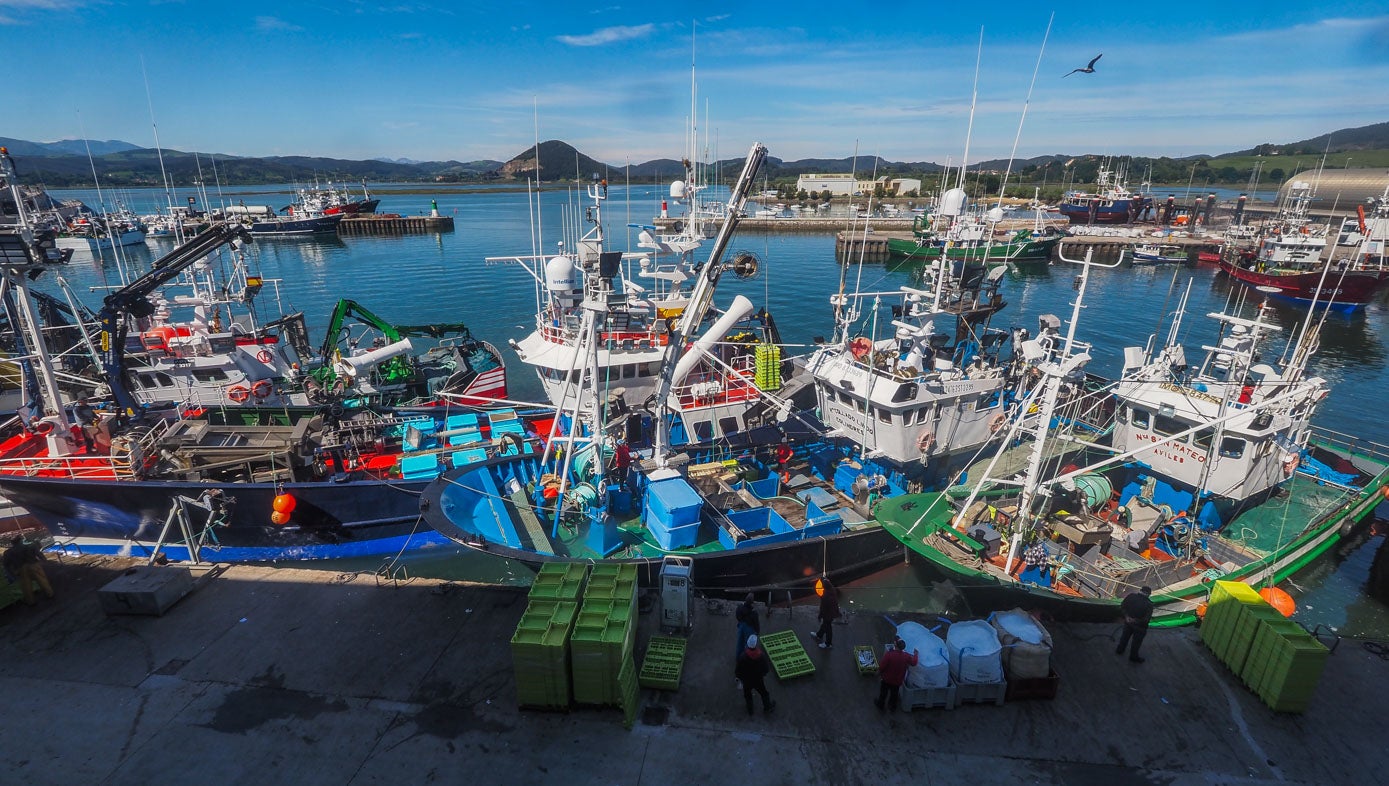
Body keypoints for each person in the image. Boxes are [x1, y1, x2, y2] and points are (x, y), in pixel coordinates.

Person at [3, 536, 53, 606]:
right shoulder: (31, 545)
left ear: (12, 543)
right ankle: (49, 594)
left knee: (26, 586)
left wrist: (11, 574)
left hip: (21, 568)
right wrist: (45, 561)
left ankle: (31, 602)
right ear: (21, 540)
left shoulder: (8, 552)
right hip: (34, 565)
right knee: (42, 580)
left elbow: (6, 564)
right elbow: (39, 554)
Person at [735, 634, 775, 716]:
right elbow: (765, 669)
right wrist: (763, 674)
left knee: (747, 694)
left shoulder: (743, 656)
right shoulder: (761, 656)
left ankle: (750, 710)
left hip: (746, 681)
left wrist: (739, 677)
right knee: (764, 693)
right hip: (758, 680)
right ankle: (767, 707)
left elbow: (738, 670)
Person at [875, 636, 919, 712]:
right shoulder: (906, 656)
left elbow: (882, 666)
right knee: (894, 694)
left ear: (895, 645)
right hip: (897, 681)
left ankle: (880, 705)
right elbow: (914, 663)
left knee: (883, 693)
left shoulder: (889, 655)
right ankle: (892, 707)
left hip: (886, 679)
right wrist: (915, 654)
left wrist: (878, 672)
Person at [1116, 585, 1154, 663]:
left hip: (1128, 622)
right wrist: (1136, 621)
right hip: (1140, 627)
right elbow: (1146, 619)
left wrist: (1127, 617)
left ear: (1140, 590)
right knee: (1136, 643)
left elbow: (1122, 607)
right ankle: (1133, 657)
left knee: (1124, 637)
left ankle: (1119, 650)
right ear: (1148, 594)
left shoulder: (1131, 596)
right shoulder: (1149, 604)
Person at [813, 578, 840, 649]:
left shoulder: (825, 596)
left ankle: (828, 644)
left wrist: (820, 616)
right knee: (825, 624)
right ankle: (819, 635)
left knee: (828, 628)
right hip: (833, 612)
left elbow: (823, 608)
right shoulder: (832, 590)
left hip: (828, 614)